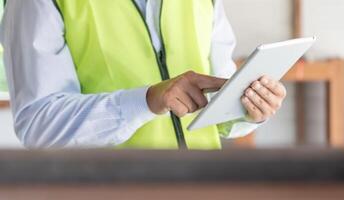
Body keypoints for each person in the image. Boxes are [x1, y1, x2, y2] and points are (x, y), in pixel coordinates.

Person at [0, 0, 286, 149]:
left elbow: (222, 100)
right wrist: (146, 101)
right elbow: (38, 124)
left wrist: (250, 107)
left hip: (200, 186)